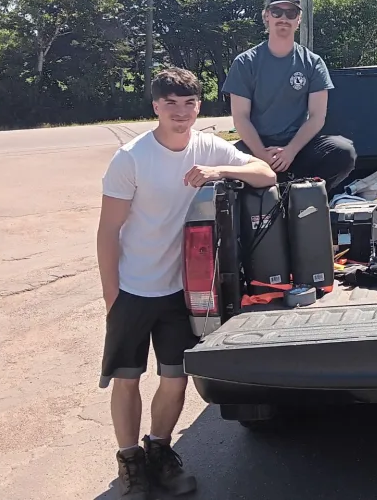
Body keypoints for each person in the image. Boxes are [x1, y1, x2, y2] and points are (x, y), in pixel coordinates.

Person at [97, 67, 276, 498]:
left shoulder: (206, 145)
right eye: (170, 104)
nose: (181, 112)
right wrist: (112, 297)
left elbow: (265, 174)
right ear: (155, 106)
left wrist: (219, 170)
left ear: (199, 107)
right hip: (135, 288)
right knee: (127, 378)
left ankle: (160, 452)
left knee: (175, 378)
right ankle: (131, 463)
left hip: (182, 292)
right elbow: (108, 232)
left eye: (189, 103)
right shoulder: (132, 159)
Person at [223, 0, 357, 191]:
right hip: (256, 146)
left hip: (298, 146)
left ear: (299, 19)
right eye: (277, 12)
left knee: (343, 151)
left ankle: (304, 197)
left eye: (291, 13)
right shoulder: (245, 63)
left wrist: (291, 151)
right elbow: (241, 117)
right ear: (266, 16)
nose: (283, 18)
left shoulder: (313, 63)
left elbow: (317, 117)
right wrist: (261, 155)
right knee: (225, 167)